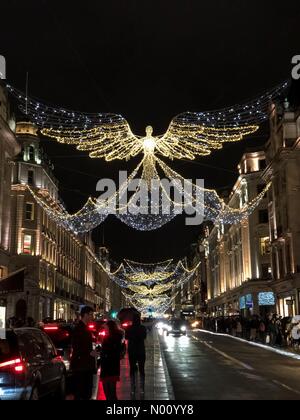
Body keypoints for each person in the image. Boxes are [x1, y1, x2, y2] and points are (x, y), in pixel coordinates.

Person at [70, 306, 98, 400]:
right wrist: (89, 353)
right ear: (85, 315)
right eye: (91, 315)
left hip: (85, 366)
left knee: (85, 393)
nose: (92, 317)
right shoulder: (79, 329)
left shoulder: (84, 328)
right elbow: (77, 346)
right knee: (82, 393)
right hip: (81, 367)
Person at [100, 320, 124, 400]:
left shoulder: (110, 338)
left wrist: (101, 352)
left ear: (109, 327)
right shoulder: (116, 337)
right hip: (113, 366)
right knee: (111, 391)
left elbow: (108, 351)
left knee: (109, 391)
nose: (105, 328)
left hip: (108, 366)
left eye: (106, 327)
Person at [125, 313, 147, 398]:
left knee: (132, 368)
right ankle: (142, 387)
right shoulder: (142, 328)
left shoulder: (129, 328)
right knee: (142, 368)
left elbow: (126, 337)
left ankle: (132, 387)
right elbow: (144, 337)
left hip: (132, 350)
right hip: (141, 350)